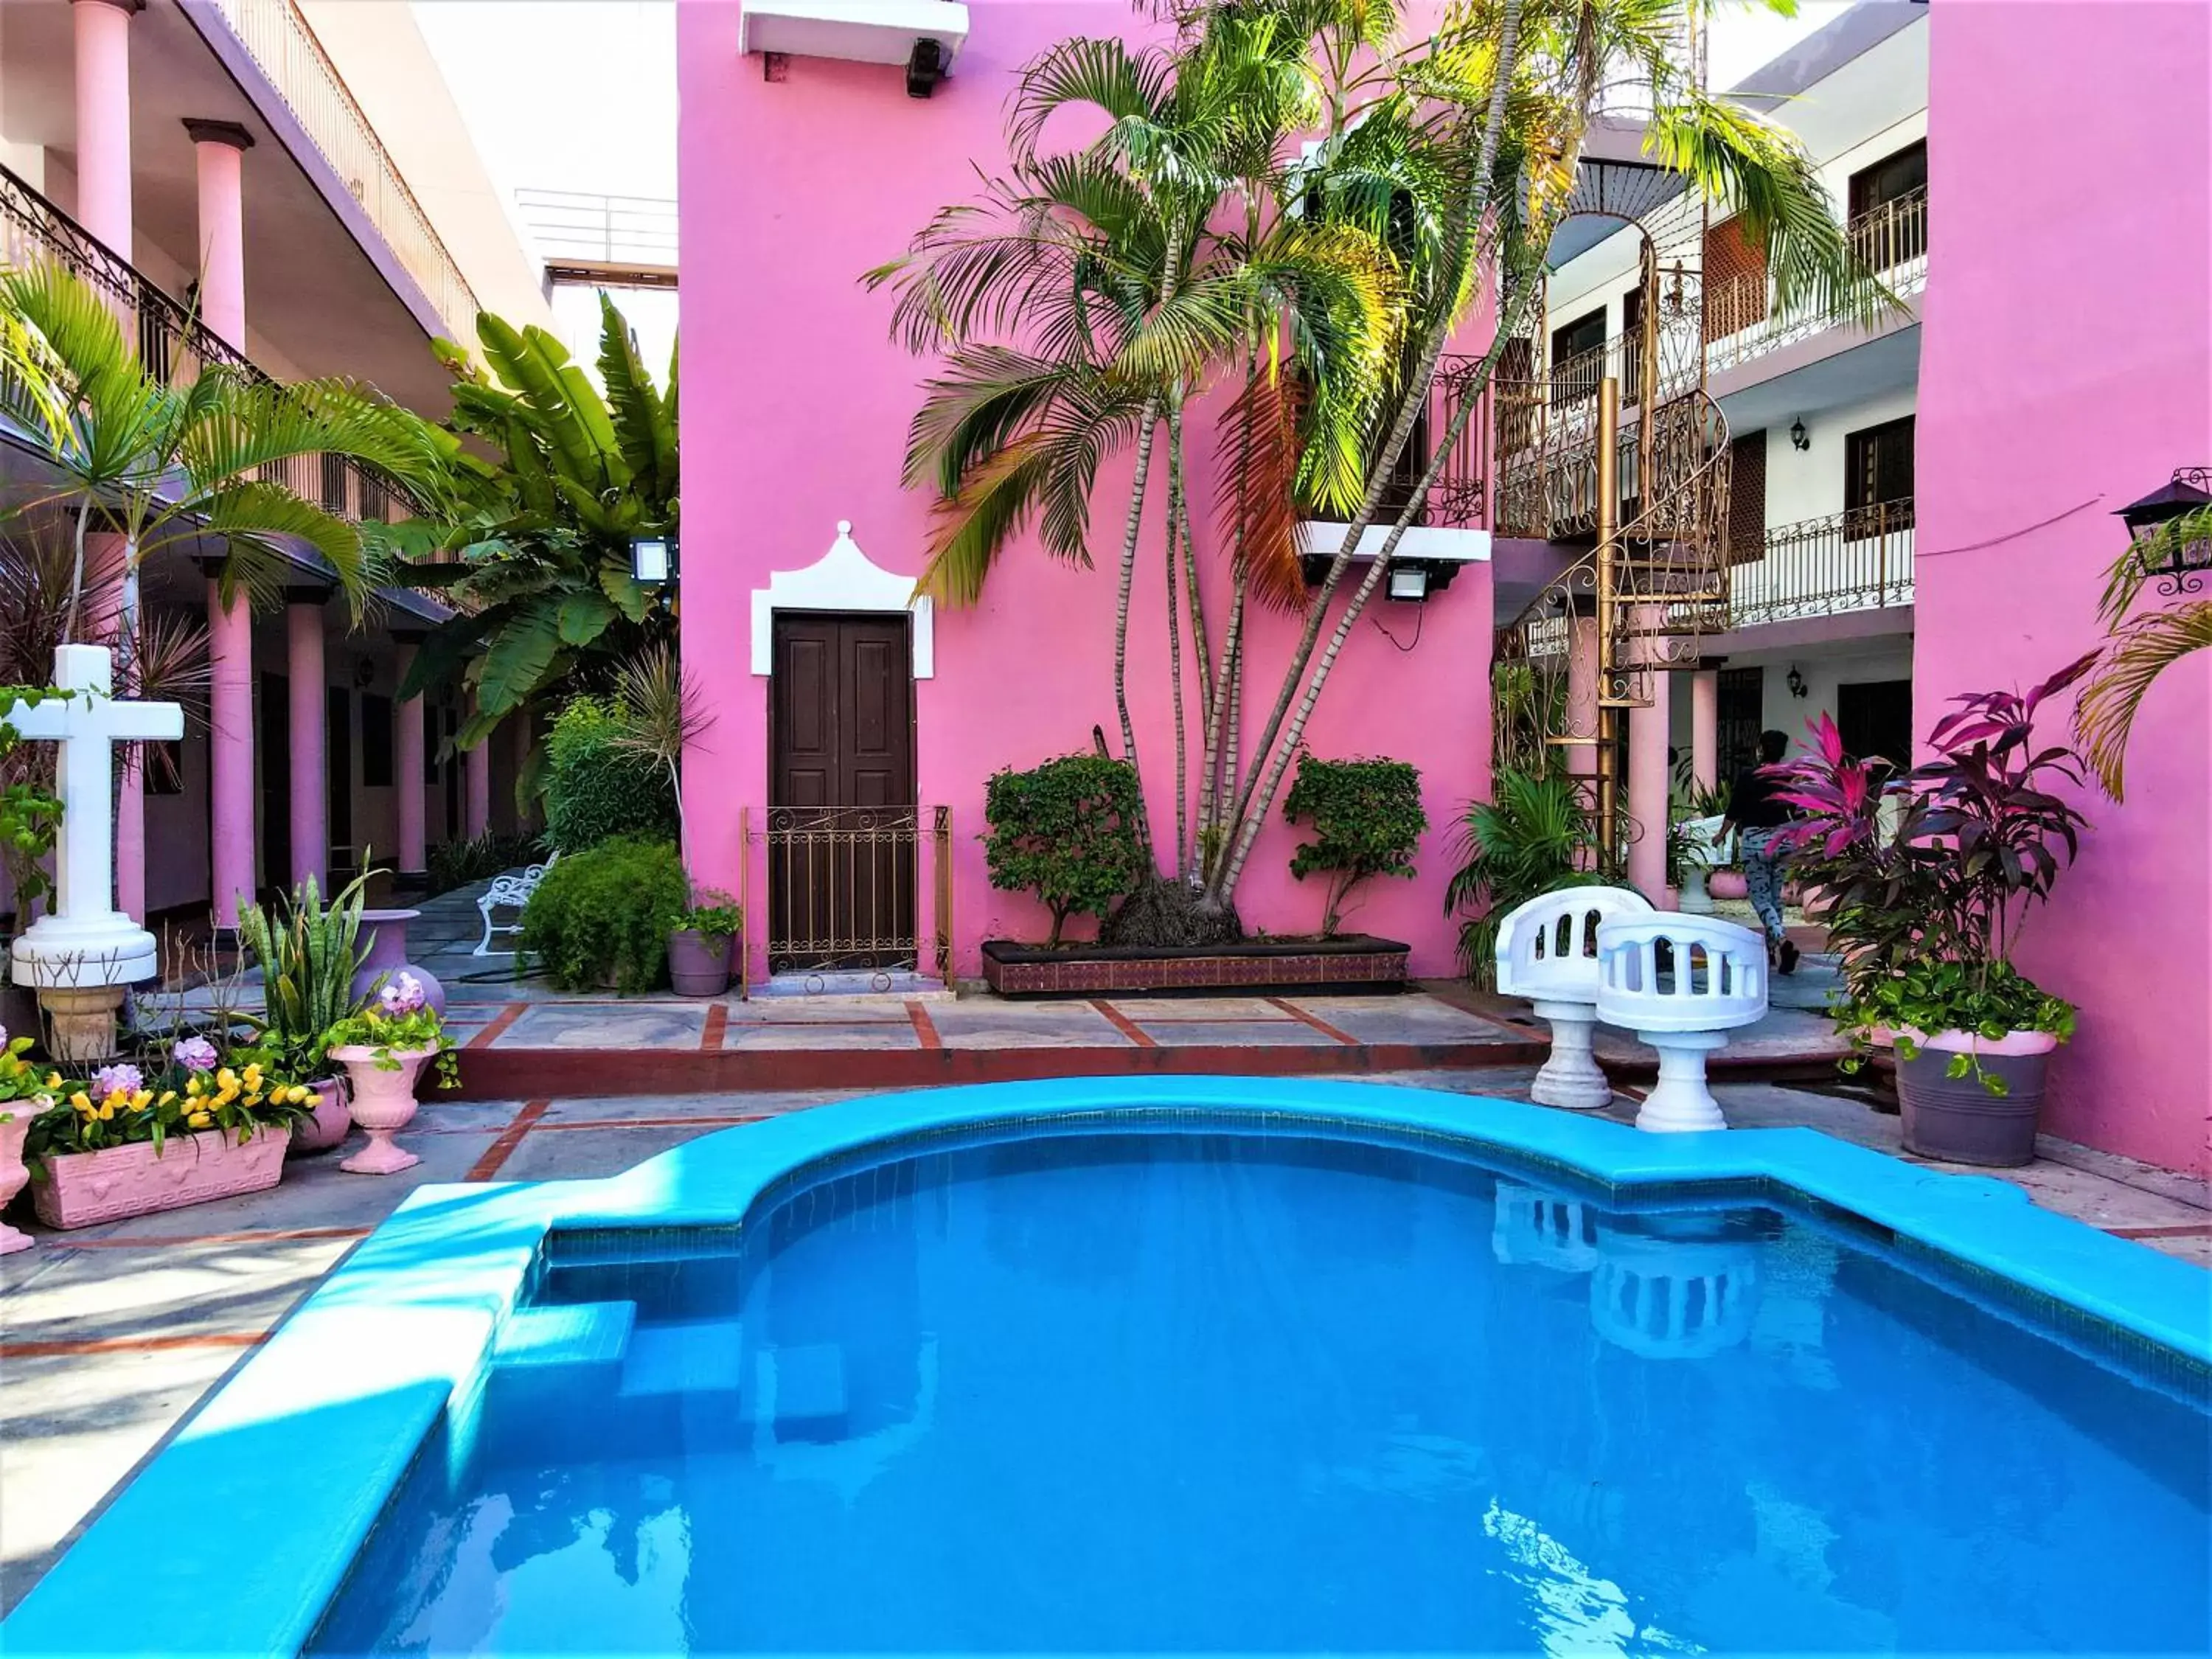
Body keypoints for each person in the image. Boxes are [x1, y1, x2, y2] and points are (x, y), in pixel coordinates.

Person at [1722, 729, 1800, 974]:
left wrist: (1720, 834)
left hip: (1756, 844)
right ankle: (1772, 953)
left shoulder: (1749, 775)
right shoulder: (1789, 776)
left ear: (1760, 748)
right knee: (1775, 898)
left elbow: (1734, 809)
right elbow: (1799, 811)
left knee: (1760, 898)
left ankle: (1781, 940)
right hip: (1784, 841)